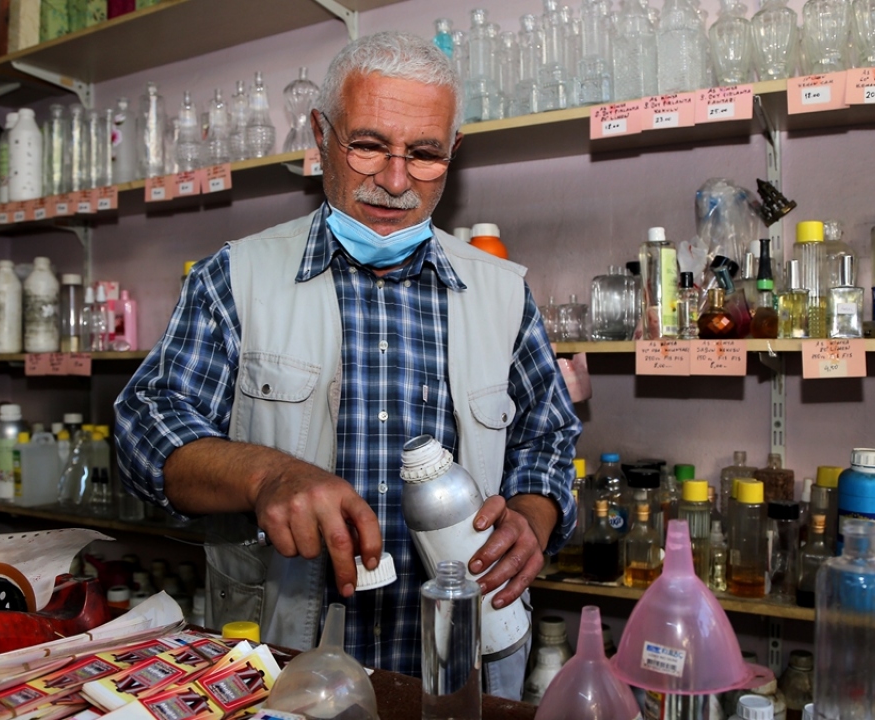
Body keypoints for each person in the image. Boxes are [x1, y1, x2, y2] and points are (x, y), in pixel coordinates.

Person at [114, 31, 579, 699]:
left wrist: (533, 517)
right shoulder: (235, 278)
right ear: (321, 133)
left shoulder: (503, 293)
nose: (395, 181)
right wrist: (263, 475)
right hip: (287, 663)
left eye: (424, 155)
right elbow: (144, 428)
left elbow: (550, 435)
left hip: (465, 668)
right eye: (367, 145)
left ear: (454, 153)